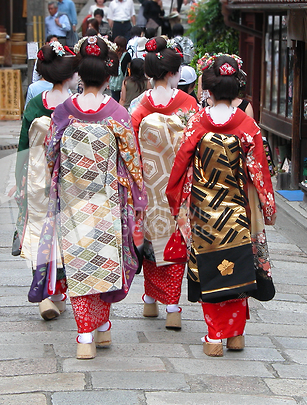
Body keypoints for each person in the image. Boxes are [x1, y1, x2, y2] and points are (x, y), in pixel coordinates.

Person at [37, 35, 147, 359]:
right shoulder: (117, 113)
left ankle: (89, 332)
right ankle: (97, 329)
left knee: (79, 263)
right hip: (108, 202)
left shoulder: (63, 113)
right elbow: (133, 162)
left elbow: (50, 153)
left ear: (79, 75)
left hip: (72, 201)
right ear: (109, 76)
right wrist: (138, 201)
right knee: (105, 261)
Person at [166, 54, 276, 357]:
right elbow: (260, 171)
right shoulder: (247, 125)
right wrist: (267, 207)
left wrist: (175, 199)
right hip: (238, 209)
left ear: (209, 91)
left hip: (203, 210)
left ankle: (215, 336)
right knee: (239, 268)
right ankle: (236, 334)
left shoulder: (197, 122)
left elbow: (180, 165)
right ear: (236, 90)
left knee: (210, 269)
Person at [130, 36, 198, 329]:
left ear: (148, 72)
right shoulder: (189, 104)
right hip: (179, 185)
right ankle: (172, 305)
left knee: (149, 242)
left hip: (148, 183)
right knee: (175, 241)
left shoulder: (139, 106)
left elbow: (130, 149)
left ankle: (149, 301)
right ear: (174, 73)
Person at [14, 41, 79, 320]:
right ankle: (54, 293)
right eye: (75, 73)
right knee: (65, 234)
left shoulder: (34, 107)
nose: (78, 77)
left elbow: (22, 146)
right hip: (69, 177)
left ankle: (48, 293)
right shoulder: (76, 107)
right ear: (68, 76)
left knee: (39, 231)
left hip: (37, 175)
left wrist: (19, 180)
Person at [109, 36, 127, 102]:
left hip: (113, 82)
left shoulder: (113, 55)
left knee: (114, 99)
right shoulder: (126, 55)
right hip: (121, 82)